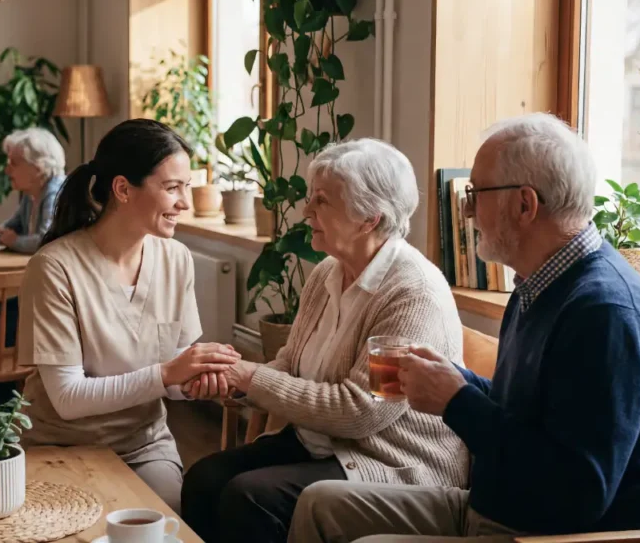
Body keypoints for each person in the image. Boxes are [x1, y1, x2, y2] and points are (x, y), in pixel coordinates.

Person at [289, 113, 640, 543]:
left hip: (545, 534)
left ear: (525, 204)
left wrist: (456, 401)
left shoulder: (604, 313)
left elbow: (579, 490)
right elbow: (532, 416)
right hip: (492, 508)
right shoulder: (538, 285)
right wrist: (461, 381)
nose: (466, 209)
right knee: (320, 502)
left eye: (476, 193)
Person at [180, 139, 470, 543]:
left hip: (390, 461)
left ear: (368, 218)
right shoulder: (327, 273)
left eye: (321, 201)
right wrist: (230, 378)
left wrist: (251, 378)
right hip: (318, 444)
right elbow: (289, 364)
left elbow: (361, 412)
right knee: (203, 479)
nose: (306, 210)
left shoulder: (413, 294)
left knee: (250, 499)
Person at [17, 118, 240, 513]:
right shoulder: (54, 267)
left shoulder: (176, 259)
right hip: (59, 445)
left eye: (186, 187)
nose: (184, 203)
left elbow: (172, 376)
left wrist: (194, 380)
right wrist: (169, 374)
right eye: (172, 188)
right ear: (122, 189)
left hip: (143, 445)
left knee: (167, 529)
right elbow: (67, 398)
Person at [0, 127, 66, 403]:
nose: (7, 169)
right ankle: (3, 400)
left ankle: (3, 404)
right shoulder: (31, 194)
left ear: (38, 167)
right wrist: (3, 231)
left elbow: (46, 240)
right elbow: (14, 225)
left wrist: (12, 239)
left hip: (55, 299)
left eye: (14, 163)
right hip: (37, 290)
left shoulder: (55, 193)